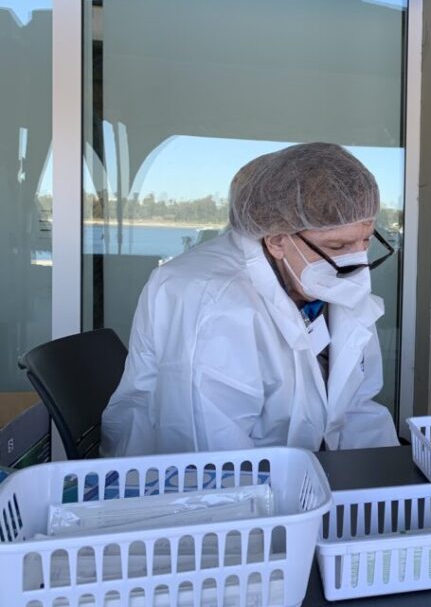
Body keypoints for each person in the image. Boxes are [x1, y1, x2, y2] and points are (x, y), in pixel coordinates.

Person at [102, 143, 400, 456]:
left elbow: (356, 407)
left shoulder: (325, 284)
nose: (357, 261)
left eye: (366, 241)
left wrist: (382, 474)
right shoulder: (211, 300)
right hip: (204, 478)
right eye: (338, 246)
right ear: (277, 241)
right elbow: (211, 453)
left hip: (305, 467)